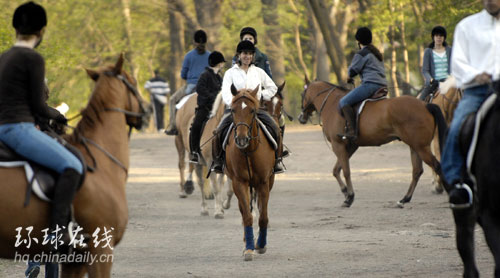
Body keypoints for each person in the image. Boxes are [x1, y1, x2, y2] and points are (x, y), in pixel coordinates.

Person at [0, 0, 83, 258]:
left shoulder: (3, 57)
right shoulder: (32, 58)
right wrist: (58, 115)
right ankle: (59, 235)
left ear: (16, 29)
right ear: (41, 32)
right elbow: (37, 105)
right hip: (19, 129)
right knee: (73, 166)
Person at [441, 0, 500, 209]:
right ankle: (457, 182)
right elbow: (458, 63)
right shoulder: (467, 26)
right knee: (455, 128)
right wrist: (477, 74)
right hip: (479, 90)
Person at [211, 40, 284, 174]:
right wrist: (235, 102)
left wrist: (259, 97)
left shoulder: (259, 72)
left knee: (275, 129)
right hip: (235, 111)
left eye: (250, 54)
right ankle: (218, 162)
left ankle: (278, 161)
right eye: (245, 53)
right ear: (239, 55)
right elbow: (226, 92)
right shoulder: (230, 73)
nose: (247, 56)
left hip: (255, 110)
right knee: (218, 131)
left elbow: (273, 88)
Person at [338, 27, 388, 140]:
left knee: (343, 101)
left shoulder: (362, 53)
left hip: (370, 85)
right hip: (383, 85)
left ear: (359, 41)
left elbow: (352, 71)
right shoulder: (376, 53)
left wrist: (348, 78)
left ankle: (352, 131)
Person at [165, 30, 210, 135]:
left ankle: (172, 126)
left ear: (194, 42)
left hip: (191, 86)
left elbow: (183, 74)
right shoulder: (210, 56)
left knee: (172, 100)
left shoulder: (189, 56)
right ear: (206, 42)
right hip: (207, 87)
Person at [189, 51, 225, 164]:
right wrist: (213, 98)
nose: (223, 65)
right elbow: (200, 89)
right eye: (222, 63)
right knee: (196, 126)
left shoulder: (219, 77)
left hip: (218, 108)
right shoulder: (204, 75)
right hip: (205, 108)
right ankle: (194, 152)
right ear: (219, 64)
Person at [419, 26, 452, 101]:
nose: (439, 38)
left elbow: (454, 66)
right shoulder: (428, 51)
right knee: (420, 101)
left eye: (441, 36)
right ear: (433, 37)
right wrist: (430, 79)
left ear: (444, 38)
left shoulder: (450, 50)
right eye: (436, 35)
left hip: (449, 82)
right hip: (434, 83)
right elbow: (425, 70)